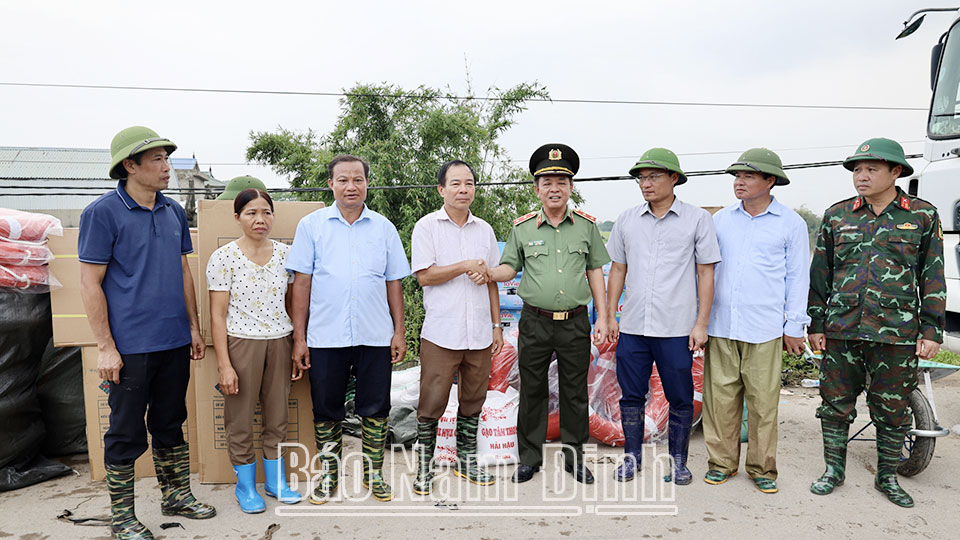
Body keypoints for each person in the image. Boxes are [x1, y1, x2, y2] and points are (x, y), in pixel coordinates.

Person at [79, 126, 215, 540]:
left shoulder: (173, 210)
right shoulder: (102, 213)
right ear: (129, 166)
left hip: (173, 339)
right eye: (156, 159)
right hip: (130, 346)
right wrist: (106, 347)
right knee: (125, 431)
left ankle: (176, 496)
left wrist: (193, 326)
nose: (166, 167)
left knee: (172, 420)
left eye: (166, 159)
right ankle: (123, 518)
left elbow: (183, 271)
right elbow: (89, 283)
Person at [808, 138, 945, 508]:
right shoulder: (838, 216)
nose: (861, 176)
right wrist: (816, 324)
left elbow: (932, 277)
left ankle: (886, 477)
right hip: (841, 329)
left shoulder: (922, 216)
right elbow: (821, 274)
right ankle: (833, 470)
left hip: (896, 333)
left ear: (895, 172)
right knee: (834, 405)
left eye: (870, 169)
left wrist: (932, 330)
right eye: (856, 170)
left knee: (892, 408)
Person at [286, 154, 411, 504]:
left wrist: (399, 331)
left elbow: (394, 283)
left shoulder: (384, 228)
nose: (351, 186)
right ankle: (329, 475)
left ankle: (374, 474)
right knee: (326, 408)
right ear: (331, 184)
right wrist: (300, 338)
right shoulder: (312, 226)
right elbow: (301, 285)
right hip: (326, 336)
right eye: (343, 180)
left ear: (367, 183)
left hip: (375, 335)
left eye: (358, 179)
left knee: (376, 408)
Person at [485, 143, 610, 484]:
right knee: (533, 390)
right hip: (535, 322)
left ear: (571, 188)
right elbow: (509, 267)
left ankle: (574, 459)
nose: (554, 188)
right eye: (547, 182)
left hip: (575, 323)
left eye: (561, 182)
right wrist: (489, 272)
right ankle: (529, 458)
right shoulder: (522, 228)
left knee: (574, 392)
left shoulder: (586, 227)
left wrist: (603, 317)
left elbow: (595, 270)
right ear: (536, 189)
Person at [605, 148, 720, 485]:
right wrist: (610, 315)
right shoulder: (627, 219)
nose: (646, 183)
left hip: (676, 328)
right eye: (642, 178)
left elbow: (706, 274)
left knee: (680, 397)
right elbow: (617, 269)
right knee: (631, 396)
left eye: (654, 176)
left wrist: (701, 324)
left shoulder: (698, 220)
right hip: (634, 326)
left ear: (674, 179)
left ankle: (679, 462)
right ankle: (632, 458)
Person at [702, 148, 810, 494]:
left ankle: (762, 468)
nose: (739, 182)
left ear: (770, 181)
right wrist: (699, 320)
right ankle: (721, 463)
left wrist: (794, 325)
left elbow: (797, 278)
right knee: (720, 401)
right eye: (737, 176)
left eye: (748, 176)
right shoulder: (720, 220)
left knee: (763, 404)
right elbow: (704, 271)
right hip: (721, 324)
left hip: (764, 328)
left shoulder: (790, 223)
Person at [409, 160, 503, 495]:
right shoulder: (427, 227)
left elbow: (491, 280)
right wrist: (464, 265)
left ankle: (466, 462)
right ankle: (423, 468)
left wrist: (496, 326)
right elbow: (424, 275)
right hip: (441, 331)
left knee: (473, 400)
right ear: (441, 189)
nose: (464, 190)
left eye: (469, 183)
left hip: (479, 331)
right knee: (431, 401)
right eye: (456, 184)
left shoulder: (485, 230)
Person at [206, 186, 302, 512]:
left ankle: (276, 482)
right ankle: (246, 487)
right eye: (251, 213)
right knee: (240, 419)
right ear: (237, 218)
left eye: (266, 212)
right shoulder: (223, 258)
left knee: (277, 415)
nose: (260, 219)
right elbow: (217, 316)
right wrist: (224, 364)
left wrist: (296, 345)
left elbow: (292, 304)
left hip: (280, 340)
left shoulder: (286, 255)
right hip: (241, 343)